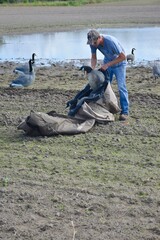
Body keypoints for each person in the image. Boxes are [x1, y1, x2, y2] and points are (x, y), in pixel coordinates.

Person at [87, 29, 129, 121]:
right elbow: (93, 57)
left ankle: (125, 112)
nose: (93, 45)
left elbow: (123, 57)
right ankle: (106, 108)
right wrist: (92, 69)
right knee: (104, 86)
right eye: (92, 43)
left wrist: (107, 65)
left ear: (99, 38)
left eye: (94, 42)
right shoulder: (93, 43)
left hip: (119, 64)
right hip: (107, 62)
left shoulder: (110, 42)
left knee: (121, 87)